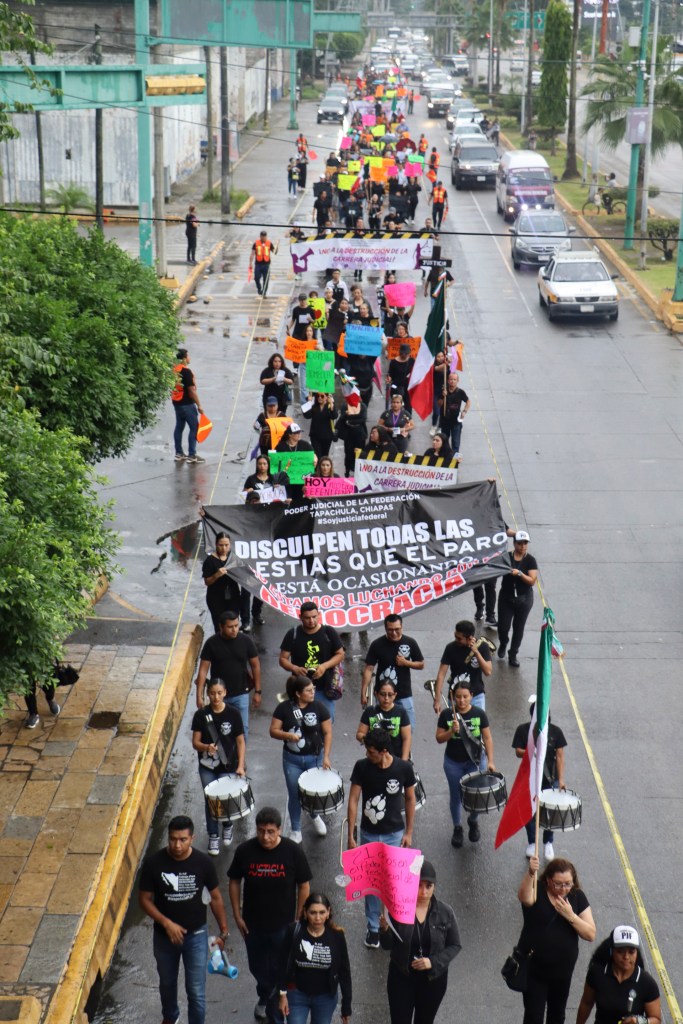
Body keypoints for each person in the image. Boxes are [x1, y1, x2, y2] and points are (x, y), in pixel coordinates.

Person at [139, 815, 229, 1024]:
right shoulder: (154, 863)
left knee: (196, 992)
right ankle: (171, 1018)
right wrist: (166, 923)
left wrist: (224, 932)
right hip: (164, 937)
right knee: (167, 983)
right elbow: (144, 900)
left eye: (182, 840)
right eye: (172, 839)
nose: (177, 845)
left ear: (192, 838)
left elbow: (215, 898)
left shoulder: (203, 863)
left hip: (196, 936)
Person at [228, 807, 312, 1024]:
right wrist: (237, 915)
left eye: (271, 832)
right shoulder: (245, 851)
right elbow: (234, 881)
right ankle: (265, 994)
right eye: (261, 831)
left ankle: (276, 1005)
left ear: (279, 830)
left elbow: (304, 885)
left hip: (283, 926)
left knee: (280, 968)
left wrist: (298, 918)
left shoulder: (292, 851)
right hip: (252, 926)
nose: (265, 837)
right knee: (256, 966)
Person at [347, 730, 416, 948]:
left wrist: (409, 832)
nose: (368, 755)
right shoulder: (361, 767)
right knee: (371, 885)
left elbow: (410, 799)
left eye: (372, 752)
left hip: (394, 834)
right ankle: (374, 928)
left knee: (392, 883)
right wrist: (351, 834)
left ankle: (393, 925)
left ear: (384, 751)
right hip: (368, 833)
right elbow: (353, 799)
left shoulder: (403, 768)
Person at [379, 860, 461, 1024]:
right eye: (419, 885)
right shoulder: (398, 909)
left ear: (434, 887)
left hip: (433, 981)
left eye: (428, 886)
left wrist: (433, 961)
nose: (423, 892)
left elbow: (455, 945)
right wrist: (385, 929)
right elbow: (387, 945)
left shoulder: (445, 912)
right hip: (402, 978)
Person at [518, 854, 596, 1024]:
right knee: (533, 1016)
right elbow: (524, 898)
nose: (563, 888)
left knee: (557, 1015)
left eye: (568, 883)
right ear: (547, 880)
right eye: (558, 883)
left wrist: (571, 916)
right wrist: (531, 872)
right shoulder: (537, 889)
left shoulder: (577, 897)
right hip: (535, 972)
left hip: (562, 974)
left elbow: (590, 933)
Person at [269, 676, 333, 843]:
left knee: (313, 792)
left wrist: (326, 756)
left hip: (315, 758)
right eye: (309, 690)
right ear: (298, 693)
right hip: (292, 760)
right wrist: (287, 735)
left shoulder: (319, 707)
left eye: (313, 689)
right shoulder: (284, 708)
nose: (313, 692)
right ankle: (296, 829)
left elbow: (328, 732)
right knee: (294, 793)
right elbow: (273, 730)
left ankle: (314, 815)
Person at [436, 679, 496, 847]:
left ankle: (473, 820)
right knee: (456, 796)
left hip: (475, 762)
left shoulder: (479, 714)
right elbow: (439, 738)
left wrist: (490, 761)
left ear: (472, 696)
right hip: (453, 762)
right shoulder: (447, 715)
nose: (461, 701)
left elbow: (487, 737)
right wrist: (451, 731)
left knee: (477, 796)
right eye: (458, 697)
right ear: (453, 697)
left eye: (465, 697)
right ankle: (457, 827)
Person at [278, 894, 352, 1024]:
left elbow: (344, 971)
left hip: (325, 999)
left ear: (328, 912)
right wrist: (282, 995)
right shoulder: (294, 931)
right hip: (297, 995)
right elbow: (282, 963)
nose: (318, 918)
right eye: (313, 912)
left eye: (322, 912)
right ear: (305, 912)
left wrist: (346, 1006)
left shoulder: (337, 936)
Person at [192, 678, 246, 854]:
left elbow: (240, 741)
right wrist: (206, 747)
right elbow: (195, 742)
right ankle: (213, 836)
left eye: (219, 693)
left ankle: (228, 824)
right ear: (208, 694)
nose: (216, 697)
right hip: (207, 765)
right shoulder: (201, 715)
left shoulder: (234, 714)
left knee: (224, 798)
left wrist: (241, 765)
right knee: (210, 800)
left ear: (225, 693)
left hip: (228, 765)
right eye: (212, 693)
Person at [513, 695, 567, 860]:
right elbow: (518, 752)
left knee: (550, 811)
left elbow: (560, 756)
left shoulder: (556, 731)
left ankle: (548, 842)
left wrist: (561, 779)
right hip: (530, 778)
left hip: (551, 778)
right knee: (529, 811)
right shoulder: (523, 730)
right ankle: (532, 842)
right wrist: (533, 751)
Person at [194, 609, 261, 738]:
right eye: (230, 627)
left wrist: (258, 691)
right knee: (219, 730)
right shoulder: (211, 643)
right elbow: (203, 670)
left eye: (236, 625)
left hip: (241, 694)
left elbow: (255, 666)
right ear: (221, 627)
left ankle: (240, 758)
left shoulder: (246, 641)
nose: (235, 630)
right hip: (218, 696)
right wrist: (199, 696)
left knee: (242, 729)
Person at [576, 926, 661, 1024]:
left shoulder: (647, 983)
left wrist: (640, 1021)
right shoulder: (597, 973)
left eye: (631, 952)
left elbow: (656, 1019)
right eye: (620, 951)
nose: (626, 957)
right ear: (611, 951)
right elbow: (586, 1003)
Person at [279, 601, 345, 722]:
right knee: (299, 725)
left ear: (319, 615)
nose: (311, 621)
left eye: (314, 617)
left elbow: (340, 654)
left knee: (326, 725)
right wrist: (294, 668)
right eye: (307, 618)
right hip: (300, 691)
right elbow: (283, 659)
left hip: (324, 689)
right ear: (300, 617)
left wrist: (324, 666)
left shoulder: (328, 632)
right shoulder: (293, 634)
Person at [361, 614, 424, 732]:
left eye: (397, 629)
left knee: (408, 730)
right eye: (390, 630)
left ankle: (406, 751)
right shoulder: (377, 644)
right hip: (382, 695)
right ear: (385, 628)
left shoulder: (410, 642)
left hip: (404, 695)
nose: (394, 633)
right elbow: (369, 669)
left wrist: (406, 663)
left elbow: (421, 664)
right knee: (380, 730)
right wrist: (363, 692)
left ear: (402, 627)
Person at [497, 530, 538, 667]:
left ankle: (513, 653)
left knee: (518, 628)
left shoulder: (530, 560)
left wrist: (519, 574)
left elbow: (532, 580)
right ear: (514, 544)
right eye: (520, 543)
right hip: (506, 598)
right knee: (503, 627)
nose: (523, 546)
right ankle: (503, 643)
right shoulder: (506, 557)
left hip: (524, 599)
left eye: (525, 543)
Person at [432, 619, 493, 711]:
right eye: (455, 636)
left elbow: (488, 671)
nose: (456, 640)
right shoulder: (450, 648)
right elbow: (441, 674)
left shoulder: (483, 646)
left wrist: (476, 652)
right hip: (455, 696)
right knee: (455, 725)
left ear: (469, 638)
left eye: (459, 638)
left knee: (478, 725)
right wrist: (437, 700)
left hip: (476, 696)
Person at [357, 676, 411, 759]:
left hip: (396, 758)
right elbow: (360, 733)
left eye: (390, 695)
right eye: (382, 694)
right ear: (376, 694)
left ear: (395, 695)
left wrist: (403, 762)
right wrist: (368, 740)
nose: (386, 698)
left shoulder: (401, 712)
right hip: (375, 759)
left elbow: (406, 738)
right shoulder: (370, 711)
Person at [202, 531, 242, 632]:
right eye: (221, 545)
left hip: (233, 597)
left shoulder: (234, 558)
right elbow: (207, 582)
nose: (224, 548)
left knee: (232, 624)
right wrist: (216, 575)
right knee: (220, 626)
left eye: (226, 545)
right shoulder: (210, 561)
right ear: (216, 544)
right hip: (216, 599)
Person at [171, 348, 206, 464]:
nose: (189, 358)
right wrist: (199, 405)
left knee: (179, 427)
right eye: (188, 356)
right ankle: (192, 455)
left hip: (177, 402)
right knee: (194, 428)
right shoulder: (186, 372)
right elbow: (191, 390)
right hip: (187, 404)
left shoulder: (174, 370)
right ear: (184, 359)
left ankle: (179, 453)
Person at [335, 392, 368, 476]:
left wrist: (350, 421)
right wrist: (345, 415)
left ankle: (359, 469)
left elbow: (363, 419)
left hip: (359, 432)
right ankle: (347, 469)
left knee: (359, 451)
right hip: (348, 433)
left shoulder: (362, 406)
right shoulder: (345, 406)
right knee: (348, 452)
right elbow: (342, 417)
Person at [439, 372, 470, 455]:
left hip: (456, 421)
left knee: (455, 442)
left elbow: (468, 402)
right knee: (444, 441)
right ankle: (445, 457)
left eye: (454, 379)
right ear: (448, 380)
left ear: (457, 381)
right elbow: (439, 404)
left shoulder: (460, 392)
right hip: (445, 420)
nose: (452, 381)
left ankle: (455, 460)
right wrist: (442, 396)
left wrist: (464, 411)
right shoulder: (443, 391)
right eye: (451, 379)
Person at [302, 391, 336, 458]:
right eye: (318, 396)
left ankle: (323, 468)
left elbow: (334, 416)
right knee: (317, 456)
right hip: (315, 436)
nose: (319, 398)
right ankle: (317, 468)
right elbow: (307, 415)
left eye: (322, 396)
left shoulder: (329, 406)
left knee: (325, 456)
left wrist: (331, 404)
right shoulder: (314, 406)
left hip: (327, 437)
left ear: (326, 397)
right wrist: (308, 402)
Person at [250, 231, 278, 297]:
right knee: (256, 278)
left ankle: (264, 293)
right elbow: (252, 254)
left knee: (266, 279)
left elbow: (274, 252)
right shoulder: (256, 243)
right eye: (262, 236)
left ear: (266, 236)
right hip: (258, 264)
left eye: (265, 236)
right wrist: (250, 263)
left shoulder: (269, 243)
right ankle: (259, 288)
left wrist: (277, 248)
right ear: (260, 236)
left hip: (266, 264)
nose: (263, 237)